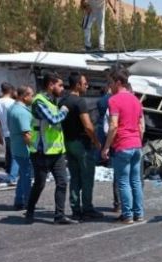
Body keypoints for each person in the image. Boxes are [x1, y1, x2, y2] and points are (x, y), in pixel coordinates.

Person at [25, 72, 74, 225]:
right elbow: (53, 120)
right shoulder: (39, 101)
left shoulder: (52, 101)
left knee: (62, 182)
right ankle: (30, 210)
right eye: (60, 85)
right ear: (51, 85)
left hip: (56, 151)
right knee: (39, 184)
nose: (63, 88)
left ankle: (59, 216)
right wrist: (64, 111)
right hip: (41, 152)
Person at [102, 68, 145, 225]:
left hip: (123, 144)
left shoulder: (114, 100)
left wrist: (106, 147)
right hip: (136, 144)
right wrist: (138, 141)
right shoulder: (136, 100)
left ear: (118, 82)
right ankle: (139, 213)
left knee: (123, 181)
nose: (109, 86)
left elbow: (113, 125)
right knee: (136, 181)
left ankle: (127, 215)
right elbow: (141, 127)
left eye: (111, 83)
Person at [61, 72, 104, 221]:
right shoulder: (79, 102)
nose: (87, 85)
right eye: (85, 83)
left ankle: (75, 208)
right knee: (87, 177)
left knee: (74, 177)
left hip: (68, 142)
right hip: (82, 143)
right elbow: (87, 125)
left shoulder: (63, 101)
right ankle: (87, 208)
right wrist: (96, 140)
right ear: (78, 84)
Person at [8, 85, 35, 210]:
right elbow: (26, 134)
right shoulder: (22, 112)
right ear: (25, 97)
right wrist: (34, 149)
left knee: (23, 174)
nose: (33, 98)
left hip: (16, 146)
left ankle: (19, 200)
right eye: (31, 95)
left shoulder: (12, 108)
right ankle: (27, 202)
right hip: (24, 149)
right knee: (26, 176)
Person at [95, 80, 120, 213]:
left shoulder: (105, 101)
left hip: (112, 137)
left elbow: (109, 127)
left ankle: (118, 203)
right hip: (126, 140)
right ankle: (130, 206)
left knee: (118, 174)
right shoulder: (116, 100)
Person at [0, 82, 16, 176]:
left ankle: (8, 172)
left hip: (5, 133)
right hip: (15, 132)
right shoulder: (13, 102)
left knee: (9, 154)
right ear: (11, 90)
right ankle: (13, 176)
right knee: (15, 155)